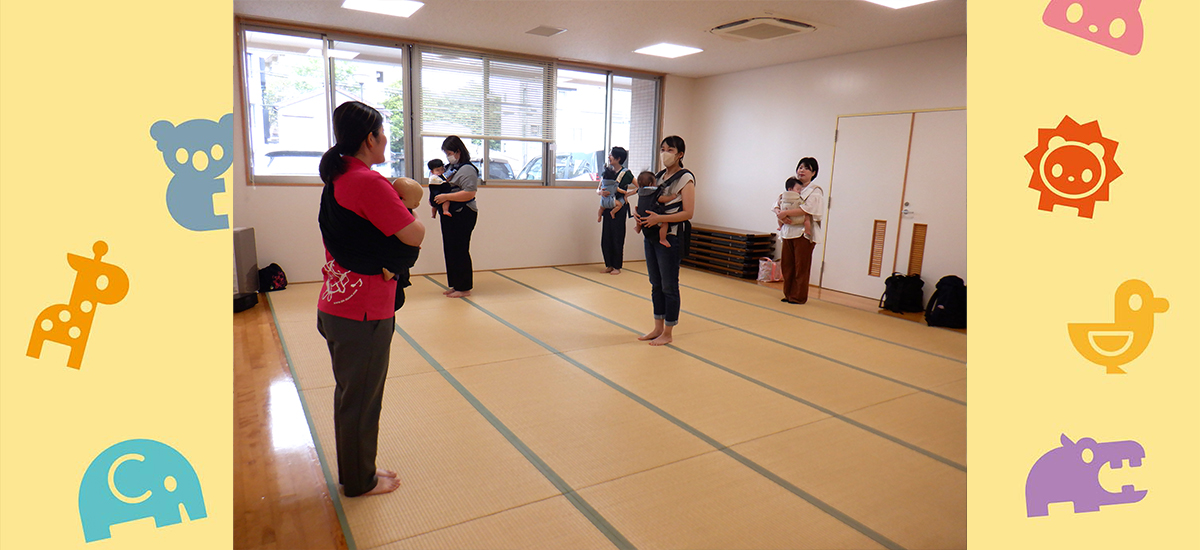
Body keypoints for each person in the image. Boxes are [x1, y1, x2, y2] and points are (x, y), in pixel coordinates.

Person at [315, 101, 425, 498]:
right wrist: (409, 206)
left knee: (351, 396)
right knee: (361, 400)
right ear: (369, 139)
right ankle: (360, 481)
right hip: (363, 310)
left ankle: (355, 470)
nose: (385, 141)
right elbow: (414, 235)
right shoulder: (368, 182)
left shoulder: (338, 176)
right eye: (382, 134)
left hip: (336, 303)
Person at [632, 135, 695, 346]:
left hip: (670, 237)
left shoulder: (685, 178)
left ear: (680, 154)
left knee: (669, 285)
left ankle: (668, 331)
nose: (664, 153)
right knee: (655, 284)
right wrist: (640, 215)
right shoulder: (657, 177)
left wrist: (660, 218)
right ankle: (657, 327)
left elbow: (688, 213)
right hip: (651, 236)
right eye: (663, 149)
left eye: (670, 150)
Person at [432, 136, 480, 298]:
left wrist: (447, 197)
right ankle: (456, 284)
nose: (448, 156)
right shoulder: (450, 168)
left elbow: (470, 193)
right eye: (446, 153)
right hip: (450, 214)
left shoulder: (467, 169)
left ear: (458, 151)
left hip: (464, 213)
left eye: (450, 152)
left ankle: (464, 287)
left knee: (460, 249)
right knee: (450, 248)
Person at [775, 157, 824, 304]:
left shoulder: (814, 191)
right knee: (787, 265)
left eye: (806, 168)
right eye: (800, 167)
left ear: (813, 172)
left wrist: (786, 213)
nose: (801, 170)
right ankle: (788, 294)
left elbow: (808, 209)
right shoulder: (791, 187)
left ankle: (798, 296)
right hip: (788, 232)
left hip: (804, 233)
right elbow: (776, 204)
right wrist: (780, 213)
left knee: (801, 266)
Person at [597, 147, 635, 274]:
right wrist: (600, 192)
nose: (609, 157)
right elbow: (598, 189)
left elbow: (640, 186)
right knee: (606, 237)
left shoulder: (626, 173)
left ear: (618, 158)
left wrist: (627, 195)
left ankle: (617, 266)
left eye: (611, 155)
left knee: (617, 236)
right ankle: (609, 264)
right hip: (607, 207)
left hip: (619, 207)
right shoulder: (607, 172)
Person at [633, 170, 673, 249]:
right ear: (651, 184)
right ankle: (663, 239)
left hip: (641, 213)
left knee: (639, 218)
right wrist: (672, 197)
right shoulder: (653, 192)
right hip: (651, 217)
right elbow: (662, 199)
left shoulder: (640, 191)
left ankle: (638, 227)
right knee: (664, 224)